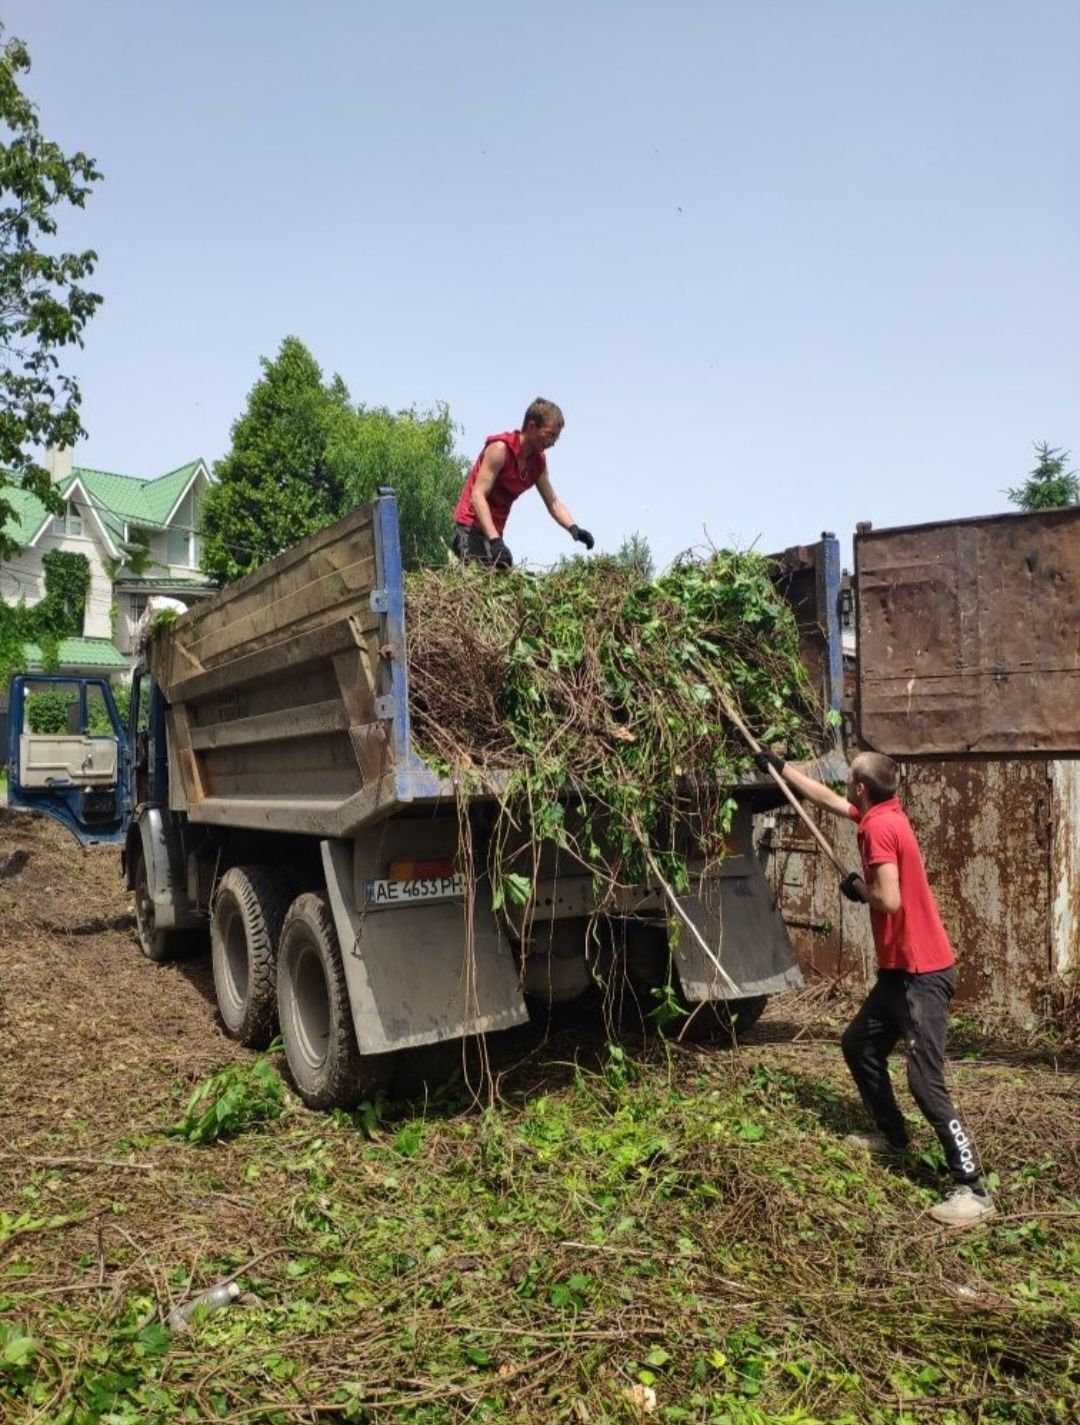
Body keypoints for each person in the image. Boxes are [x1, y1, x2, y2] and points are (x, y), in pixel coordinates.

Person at [755, 747, 995, 1227]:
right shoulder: (880, 811)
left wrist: (857, 890)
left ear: (862, 788)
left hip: (920, 975)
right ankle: (895, 1138)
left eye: (850, 780)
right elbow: (824, 798)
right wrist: (780, 769)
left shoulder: (880, 829)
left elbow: (888, 898)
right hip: (898, 973)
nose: (844, 784)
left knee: (924, 1082)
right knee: (859, 1046)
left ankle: (972, 1188)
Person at [451, 398, 594, 567]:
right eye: (549, 435)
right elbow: (477, 495)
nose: (552, 443)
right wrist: (495, 540)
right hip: (471, 527)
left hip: (495, 533)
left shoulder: (538, 463)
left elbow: (553, 502)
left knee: (502, 584)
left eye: (556, 438)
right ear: (532, 426)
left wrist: (574, 528)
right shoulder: (500, 449)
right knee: (478, 578)